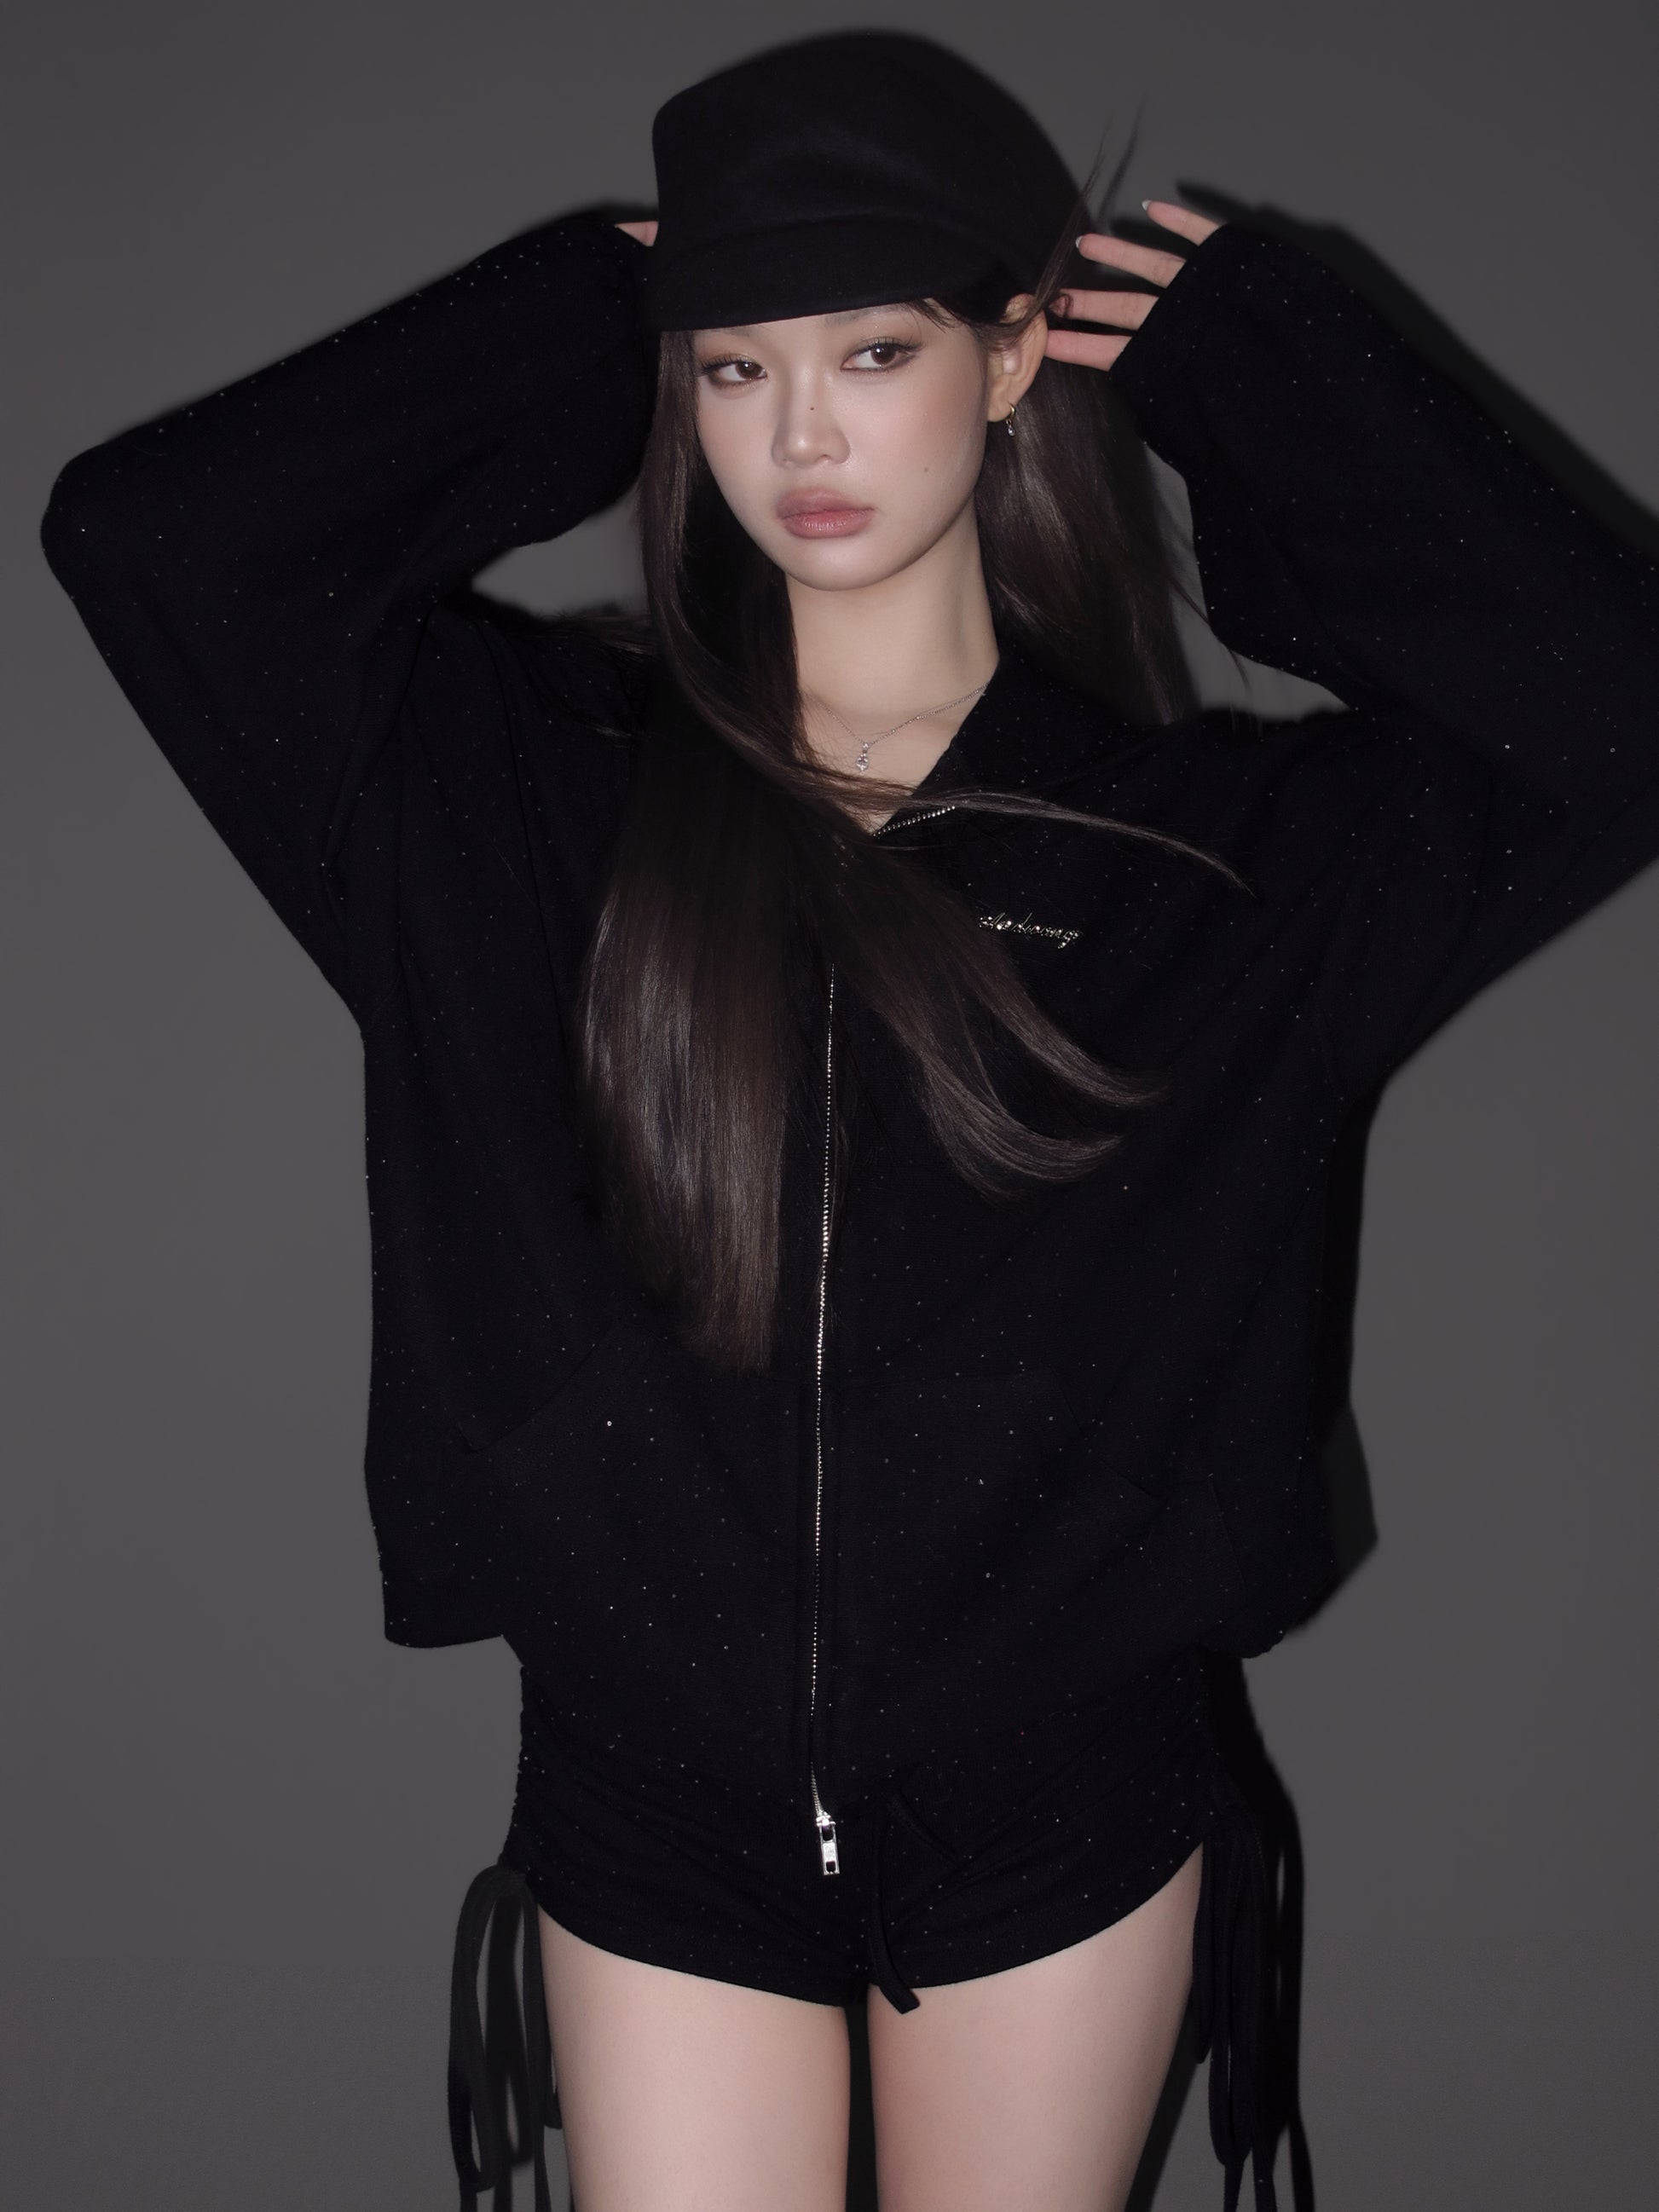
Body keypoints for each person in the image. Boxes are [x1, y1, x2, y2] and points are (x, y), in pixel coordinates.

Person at [38, 26, 1659, 2212]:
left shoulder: (1214, 864)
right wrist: (569, 316)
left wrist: (1259, 371)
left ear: (1011, 355)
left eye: (873, 350)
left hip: (1060, 1798)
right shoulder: (515, 802)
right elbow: (145, 540)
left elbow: (1615, 711)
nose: (796, 433)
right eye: (732, 365)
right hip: (648, 1790)